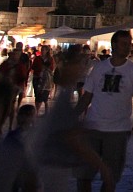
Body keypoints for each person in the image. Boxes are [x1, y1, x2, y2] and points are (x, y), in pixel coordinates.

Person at [33, 45, 116, 192]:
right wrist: (102, 168)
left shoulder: (65, 95)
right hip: (53, 166)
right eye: (78, 64)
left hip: (53, 165)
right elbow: (74, 140)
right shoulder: (64, 99)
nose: (81, 69)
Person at [76, 29, 133, 191]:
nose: (128, 47)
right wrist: (72, 116)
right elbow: (87, 96)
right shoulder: (99, 68)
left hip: (118, 130)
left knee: (110, 176)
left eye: (129, 44)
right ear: (114, 45)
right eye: (124, 44)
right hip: (93, 126)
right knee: (84, 174)